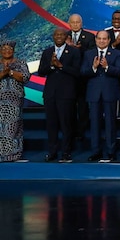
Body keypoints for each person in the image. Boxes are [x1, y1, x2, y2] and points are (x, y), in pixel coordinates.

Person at [81, 30, 120, 162]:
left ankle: (111, 151)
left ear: (109, 40)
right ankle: (96, 151)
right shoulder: (89, 54)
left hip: (110, 93)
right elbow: (83, 72)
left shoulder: (117, 53)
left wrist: (107, 67)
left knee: (110, 123)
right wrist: (93, 68)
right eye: (99, 38)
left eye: (104, 39)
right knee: (94, 124)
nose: (101, 41)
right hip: (94, 94)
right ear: (95, 40)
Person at [39, 28, 81, 162]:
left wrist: (61, 66)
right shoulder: (47, 52)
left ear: (66, 37)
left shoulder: (74, 52)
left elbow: (77, 72)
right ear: (53, 37)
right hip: (50, 94)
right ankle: (52, 152)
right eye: (56, 35)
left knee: (66, 124)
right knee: (51, 124)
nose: (59, 37)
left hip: (66, 94)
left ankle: (66, 153)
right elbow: (41, 72)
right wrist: (51, 66)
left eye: (61, 35)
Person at [0, 40, 30, 162]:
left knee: (14, 127)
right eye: (4, 49)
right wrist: (4, 73)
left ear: (13, 50)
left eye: (9, 49)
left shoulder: (20, 63)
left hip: (14, 100)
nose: (7, 51)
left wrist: (11, 72)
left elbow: (25, 77)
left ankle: (14, 155)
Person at [66, 14, 95, 141]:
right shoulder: (64, 36)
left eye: (78, 22)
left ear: (81, 23)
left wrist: (78, 49)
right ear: (69, 23)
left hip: (84, 77)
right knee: (69, 105)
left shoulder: (89, 36)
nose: (76, 24)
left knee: (83, 105)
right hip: (68, 77)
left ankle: (81, 131)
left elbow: (91, 54)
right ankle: (70, 130)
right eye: (73, 22)